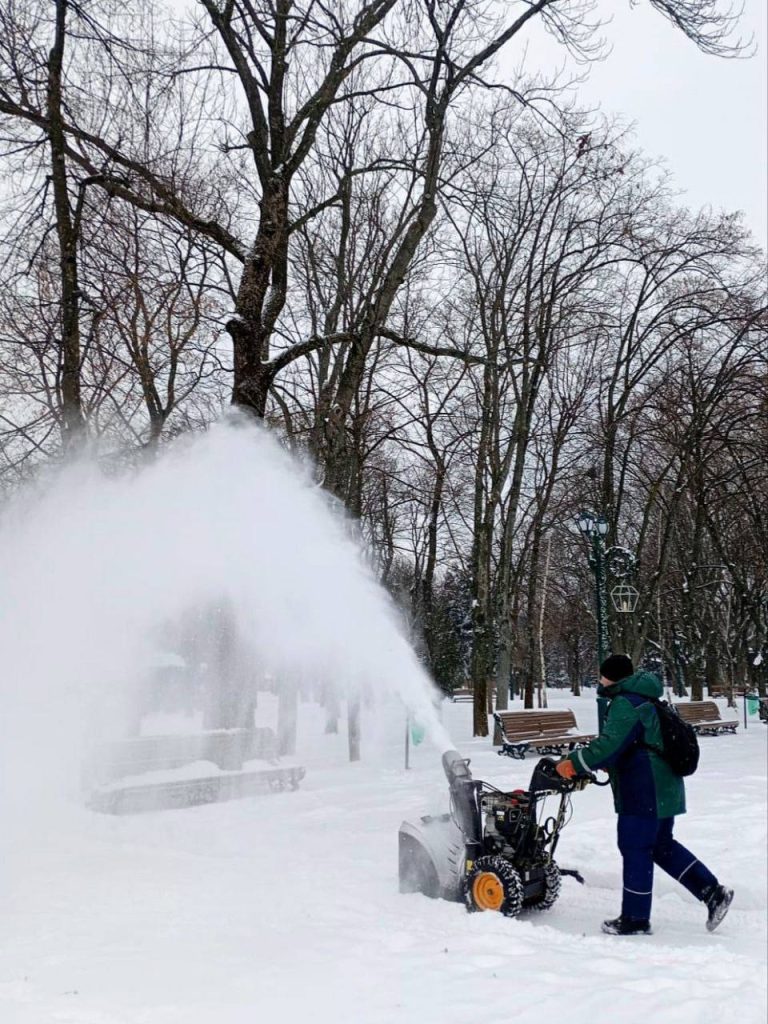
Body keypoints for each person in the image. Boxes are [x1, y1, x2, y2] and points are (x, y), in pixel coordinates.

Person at [555, 654, 733, 936]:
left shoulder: (626, 702)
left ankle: (635, 919)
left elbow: (609, 746)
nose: (599, 681)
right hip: (664, 788)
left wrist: (572, 763)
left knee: (636, 847)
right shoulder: (646, 697)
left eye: (601, 676)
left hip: (643, 790)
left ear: (610, 678)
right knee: (662, 846)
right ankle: (713, 892)